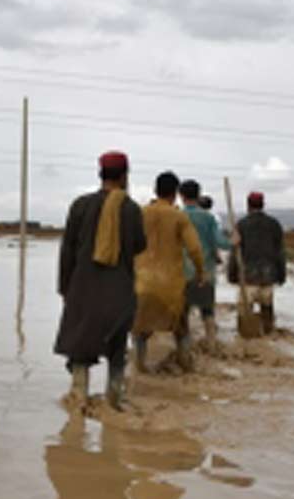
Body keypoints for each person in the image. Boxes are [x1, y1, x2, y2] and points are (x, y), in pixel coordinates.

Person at [54, 151, 147, 410]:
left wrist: (65, 288)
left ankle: (78, 402)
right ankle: (114, 402)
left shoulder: (80, 206)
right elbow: (140, 246)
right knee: (117, 352)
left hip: (82, 290)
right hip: (119, 294)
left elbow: (67, 251)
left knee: (80, 351)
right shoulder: (130, 209)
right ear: (125, 176)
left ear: (101, 174)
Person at [133, 171, 205, 373]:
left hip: (142, 283)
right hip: (171, 287)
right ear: (175, 193)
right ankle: (186, 367)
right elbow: (194, 249)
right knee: (181, 330)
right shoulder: (179, 217)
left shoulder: (140, 213)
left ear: (155, 191)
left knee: (139, 331)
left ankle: (139, 369)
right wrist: (200, 272)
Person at [227, 191, 286, 335]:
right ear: (263, 204)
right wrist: (282, 274)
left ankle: (246, 338)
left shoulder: (241, 225)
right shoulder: (274, 225)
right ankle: (268, 334)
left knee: (244, 312)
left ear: (248, 205)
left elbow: (235, 253)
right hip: (268, 275)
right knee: (267, 308)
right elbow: (280, 252)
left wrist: (232, 275)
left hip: (247, 276)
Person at [179, 180, 226, 347]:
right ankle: (212, 345)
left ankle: (184, 349)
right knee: (207, 311)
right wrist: (234, 240)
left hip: (182, 274)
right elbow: (220, 242)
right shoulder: (208, 218)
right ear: (198, 195)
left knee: (182, 313)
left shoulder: (177, 216)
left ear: (181, 196)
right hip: (205, 273)